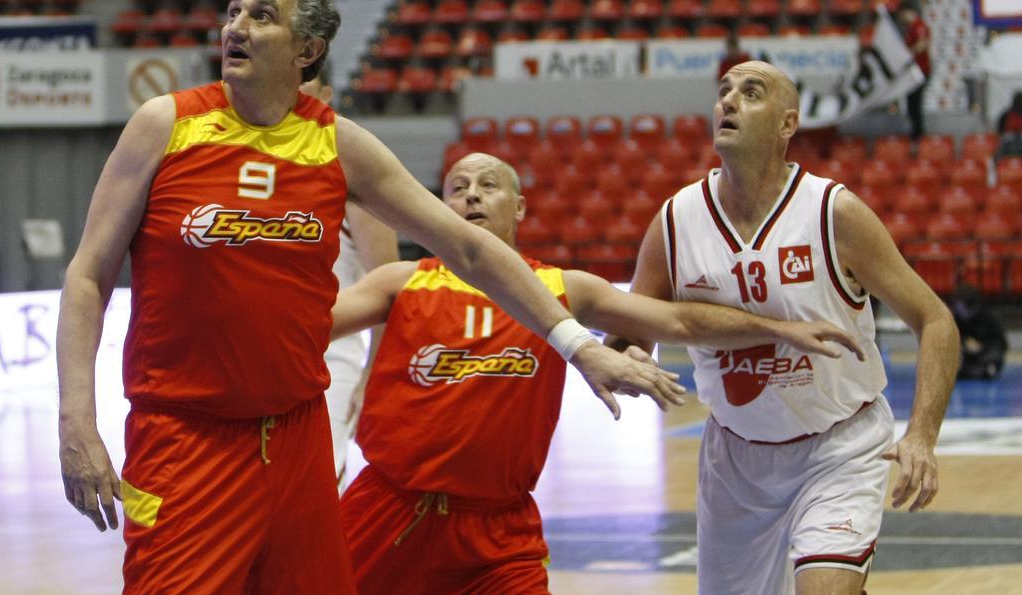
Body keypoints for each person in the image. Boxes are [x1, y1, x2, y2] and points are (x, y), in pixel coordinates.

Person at [55, 0, 684, 594]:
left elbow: (467, 250)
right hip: (186, 438)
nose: (237, 28)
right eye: (234, 12)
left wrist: (575, 344)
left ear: (309, 50)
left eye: (261, 16)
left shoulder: (339, 145)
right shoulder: (165, 125)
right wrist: (77, 422)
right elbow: (88, 276)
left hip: (296, 436)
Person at [330, 152, 865, 594]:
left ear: (518, 208)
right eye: (457, 186)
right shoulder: (402, 282)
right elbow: (313, 325)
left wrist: (778, 329)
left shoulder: (562, 289)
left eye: (488, 184)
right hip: (388, 511)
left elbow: (676, 319)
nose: (470, 194)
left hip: (496, 530)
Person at [619, 60, 959, 595]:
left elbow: (936, 318)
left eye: (751, 93)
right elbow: (631, 329)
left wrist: (921, 435)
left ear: (787, 125)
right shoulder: (677, 220)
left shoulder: (832, 212)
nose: (728, 102)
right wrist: (626, 359)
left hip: (838, 446)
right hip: (735, 461)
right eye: (724, 92)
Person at [300, 67, 400, 488]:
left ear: (325, 92)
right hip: (256, 357)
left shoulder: (351, 170)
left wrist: (372, 377)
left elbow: (390, 288)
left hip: (331, 355)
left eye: (300, 84)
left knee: (319, 485)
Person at [951, 283, 1007, 380]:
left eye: (962, 308)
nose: (960, 310)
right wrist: (963, 344)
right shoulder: (955, 318)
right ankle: (969, 370)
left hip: (983, 354)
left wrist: (981, 346)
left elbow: (1001, 343)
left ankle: (980, 370)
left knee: (994, 356)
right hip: (964, 356)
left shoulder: (988, 317)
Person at [899, 5, 931, 140]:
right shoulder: (911, 28)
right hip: (913, 72)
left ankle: (918, 133)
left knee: (915, 103)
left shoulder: (919, 26)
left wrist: (908, 54)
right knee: (911, 103)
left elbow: (923, 44)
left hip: (920, 71)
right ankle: (915, 131)